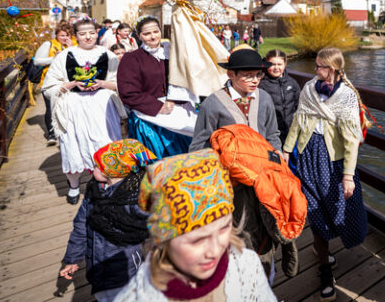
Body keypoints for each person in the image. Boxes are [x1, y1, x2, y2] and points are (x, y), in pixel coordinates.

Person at [113, 149, 277, 301]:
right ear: (162, 239)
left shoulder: (246, 265)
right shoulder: (138, 296)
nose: (214, 251)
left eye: (224, 228)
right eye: (197, 240)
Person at [283, 47, 368, 302]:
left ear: (332, 69)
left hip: (335, 161)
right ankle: (323, 266)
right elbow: (299, 119)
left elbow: (352, 140)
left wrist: (348, 175)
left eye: (319, 66)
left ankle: (327, 249)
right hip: (308, 155)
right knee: (315, 210)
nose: (315, 69)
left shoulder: (347, 97)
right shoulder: (310, 88)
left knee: (344, 209)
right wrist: (287, 149)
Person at [59, 139, 155, 302]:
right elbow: (81, 226)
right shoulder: (94, 191)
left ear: (113, 171)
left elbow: (151, 222)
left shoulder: (134, 199)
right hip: (96, 264)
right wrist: (73, 258)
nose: (92, 168)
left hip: (124, 268)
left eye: (97, 166)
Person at [42, 18, 123, 204]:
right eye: (82, 34)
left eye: (92, 33)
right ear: (76, 35)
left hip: (102, 107)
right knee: (73, 146)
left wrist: (102, 83)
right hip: (73, 107)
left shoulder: (108, 55)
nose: (88, 37)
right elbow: (49, 88)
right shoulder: (64, 56)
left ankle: (106, 182)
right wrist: (71, 84)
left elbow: (120, 82)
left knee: (105, 144)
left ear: (97, 32)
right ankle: (73, 184)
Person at [117, 16, 196, 159]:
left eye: (156, 31)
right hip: (151, 117)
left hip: (182, 111)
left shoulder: (173, 52)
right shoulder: (132, 59)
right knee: (162, 162)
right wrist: (157, 106)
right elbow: (127, 92)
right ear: (139, 35)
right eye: (147, 34)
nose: (153, 37)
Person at [189, 48, 281, 152]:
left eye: (258, 75)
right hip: (227, 165)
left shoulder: (264, 98)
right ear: (231, 74)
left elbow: (272, 134)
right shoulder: (213, 103)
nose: (255, 80)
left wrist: (278, 158)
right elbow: (199, 145)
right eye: (248, 76)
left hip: (261, 164)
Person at [33, 24, 75, 146]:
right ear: (56, 35)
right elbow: (37, 61)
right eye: (62, 35)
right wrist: (54, 58)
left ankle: (66, 129)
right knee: (50, 107)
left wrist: (71, 49)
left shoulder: (73, 45)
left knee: (67, 106)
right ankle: (51, 134)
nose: (64, 38)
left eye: (67, 35)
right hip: (49, 81)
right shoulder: (48, 45)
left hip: (68, 81)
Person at [258, 49, 301, 147]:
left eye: (279, 64)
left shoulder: (292, 83)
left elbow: (298, 105)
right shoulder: (262, 84)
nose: (276, 67)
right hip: (271, 133)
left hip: (290, 132)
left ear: (285, 64)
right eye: (272, 64)